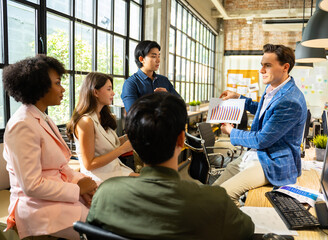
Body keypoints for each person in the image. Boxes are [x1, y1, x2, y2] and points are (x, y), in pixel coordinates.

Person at [87, 92, 254, 240]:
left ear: (133, 143)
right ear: (181, 140)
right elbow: (247, 230)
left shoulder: (104, 195)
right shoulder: (215, 201)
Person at [2, 55, 97, 240]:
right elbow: (32, 185)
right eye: (57, 83)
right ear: (39, 86)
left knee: (105, 207)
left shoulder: (42, 117)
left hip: (54, 198)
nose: (62, 89)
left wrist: (83, 182)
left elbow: (60, 166)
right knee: (102, 224)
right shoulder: (22, 125)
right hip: (37, 207)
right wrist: (78, 189)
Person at [214, 44, 307, 207]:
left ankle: (244, 229)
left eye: (268, 65)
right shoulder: (273, 88)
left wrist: (231, 131)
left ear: (285, 67)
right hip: (255, 155)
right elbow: (264, 110)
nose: (261, 70)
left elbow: (261, 140)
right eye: (262, 65)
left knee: (227, 195)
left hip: (273, 161)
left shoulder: (291, 101)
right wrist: (238, 97)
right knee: (212, 192)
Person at [67, 72, 138, 182]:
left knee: (153, 182)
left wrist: (126, 138)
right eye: (109, 89)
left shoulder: (102, 117)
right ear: (95, 92)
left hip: (115, 170)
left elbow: (105, 146)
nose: (113, 93)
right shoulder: (86, 122)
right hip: (100, 178)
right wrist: (123, 149)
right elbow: (89, 164)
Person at [121, 40, 180, 112]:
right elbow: (133, 113)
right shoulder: (130, 83)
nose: (158, 60)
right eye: (153, 56)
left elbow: (180, 104)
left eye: (159, 56)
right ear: (141, 59)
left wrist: (168, 96)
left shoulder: (164, 80)